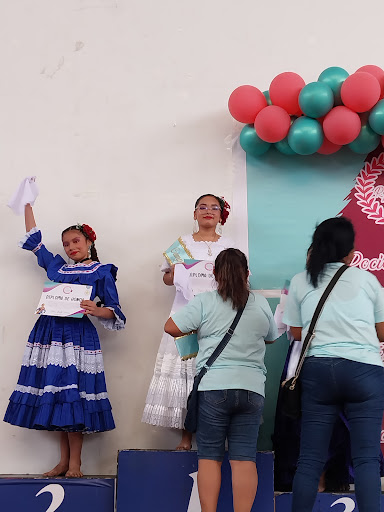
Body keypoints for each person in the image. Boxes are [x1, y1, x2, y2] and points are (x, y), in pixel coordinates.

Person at [4, 203, 126, 478]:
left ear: (89, 242)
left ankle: (75, 464)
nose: (71, 247)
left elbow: (114, 309)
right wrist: (27, 203)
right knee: (58, 395)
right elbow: (35, 240)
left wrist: (96, 309)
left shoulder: (102, 271)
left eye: (76, 241)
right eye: (66, 243)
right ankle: (62, 462)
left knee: (73, 395)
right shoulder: (58, 267)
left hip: (77, 337)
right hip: (49, 334)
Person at [165, 248, 278, 512]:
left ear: (215, 274)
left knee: (210, 459)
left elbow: (171, 326)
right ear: (247, 274)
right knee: (243, 459)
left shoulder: (205, 301)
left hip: (214, 388)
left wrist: (200, 328)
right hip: (252, 390)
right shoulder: (259, 303)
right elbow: (271, 336)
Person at [283, 217, 384, 512]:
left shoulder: (302, 280)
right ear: (350, 251)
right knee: (365, 458)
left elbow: (296, 332)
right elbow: (381, 332)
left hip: (319, 372)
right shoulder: (367, 280)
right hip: (364, 371)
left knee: (310, 458)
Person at [142, 194, 234, 450]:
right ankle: (185, 436)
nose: (208, 211)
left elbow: (239, 278)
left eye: (214, 208)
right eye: (202, 207)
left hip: (219, 315)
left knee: (214, 374)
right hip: (186, 315)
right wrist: (176, 274)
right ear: (194, 214)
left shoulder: (229, 245)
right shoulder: (181, 244)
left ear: (221, 215)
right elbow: (167, 279)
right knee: (187, 374)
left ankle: (215, 437)